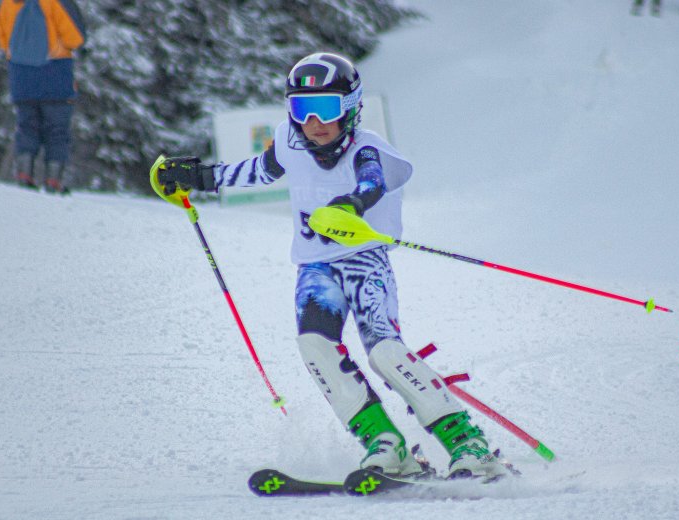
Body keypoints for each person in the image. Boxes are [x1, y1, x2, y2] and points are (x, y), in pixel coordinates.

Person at [152, 52, 509, 481]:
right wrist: (199, 178)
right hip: (316, 269)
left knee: (384, 352)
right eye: (302, 109)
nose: (313, 123)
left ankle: (469, 445)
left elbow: (371, 182)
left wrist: (350, 206)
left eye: (326, 109)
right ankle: (387, 446)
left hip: (363, 261)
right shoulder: (290, 139)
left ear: (352, 107)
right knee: (316, 348)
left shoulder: (366, 148)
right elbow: (261, 170)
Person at [0, 0, 86, 193]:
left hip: (21, 76)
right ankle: (53, 180)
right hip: (55, 72)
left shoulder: (8, 3)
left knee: (26, 126)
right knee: (57, 129)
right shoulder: (54, 3)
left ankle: (24, 174)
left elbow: (2, 40)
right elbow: (74, 39)